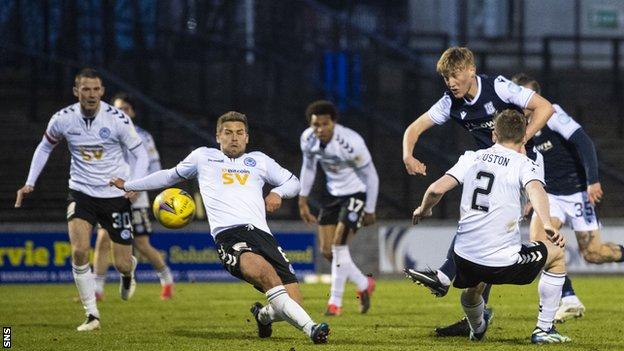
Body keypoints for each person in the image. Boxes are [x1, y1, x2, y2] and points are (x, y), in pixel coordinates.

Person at [109, 111, 330, 344]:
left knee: (292, 303)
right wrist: (129, 185)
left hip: (263, 235)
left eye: (239, 133)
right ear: (218, 136)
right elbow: (168, 176)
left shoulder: (260, 161)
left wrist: (277, 192)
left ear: (247, 137)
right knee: (264, 273)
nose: (234, 138)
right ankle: (312, 330)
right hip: (229, 235)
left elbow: (293, 182)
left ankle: (263, 316)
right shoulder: (203, 157)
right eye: (228, 133)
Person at [402, 46, 555, 335]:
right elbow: (414, 128)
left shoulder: (498, 87)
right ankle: (473, 313)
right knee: (482, 228)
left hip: (522, 166)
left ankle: (448, 278)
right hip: (491, 165)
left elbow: (545, 108)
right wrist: (408, 155)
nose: (451, 82)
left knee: (488, 228)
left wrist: (523, 138)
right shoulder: (450, 102)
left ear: (471, 70)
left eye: (455, 75)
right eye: (446, 77)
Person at [411, 110, 571, 343]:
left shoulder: (471, 157)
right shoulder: (524, 164)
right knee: (556, 256)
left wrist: (424, 209)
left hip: (464, 257)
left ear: (494, 134)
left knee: (473, 290)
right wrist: (547, 223)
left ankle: (477, 328)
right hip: (502, 261)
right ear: (523, 137)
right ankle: (544, 330)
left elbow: (436, 189)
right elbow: (536, 190)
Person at [15, 68, 149, 331]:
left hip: (114, 195)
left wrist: (135, 185)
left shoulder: (117, 119)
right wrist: (30, 182)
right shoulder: (62, 119)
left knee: (121, 262)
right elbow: (45, 146)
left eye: (95, 89)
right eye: (85, 89)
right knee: (78, 251)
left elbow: (140, 154)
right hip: (81, 191)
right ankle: (92, 315)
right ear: (76, 92)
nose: (91, 94)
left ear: (102, 91)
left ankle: (128, 271)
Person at [512, 73, 624, 322]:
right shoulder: (518, 127)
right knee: (539, 246)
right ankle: (570, 298)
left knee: (593, 254)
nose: (522, 105)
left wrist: (592, 180)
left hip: (576, 193)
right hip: (550, 195)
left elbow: (584, 142)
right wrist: (530, 195)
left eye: (526, 99)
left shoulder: (552, 114)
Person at [298, 100, 379, 316]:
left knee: (338, 246)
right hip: (333, 195)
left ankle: (335, 303)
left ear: (334, 123)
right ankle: (363, 283)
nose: (320, 129)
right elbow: (308, 167)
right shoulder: (308, 139)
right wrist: (302, 200)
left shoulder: (351, 142)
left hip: (357, 192)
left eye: (325, 124)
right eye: (316, 125)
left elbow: (371, 175)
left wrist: (370, 208)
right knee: (327, 251)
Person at [92, 92, 174, 301]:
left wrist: (140, 189)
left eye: (126, 109)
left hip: (137, 199)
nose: (122, 112)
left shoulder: (144, 137)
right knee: (102, 240)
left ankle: (166, 280)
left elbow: (155, 167)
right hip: (110, 198)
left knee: (141, 244)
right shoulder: (103, 135)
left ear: (133, 112)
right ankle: (97, 290)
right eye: (118, 109)